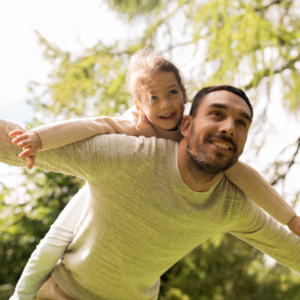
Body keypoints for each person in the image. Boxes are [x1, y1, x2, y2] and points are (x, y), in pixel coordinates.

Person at [7, 49, 300, 300]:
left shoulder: (229, 202)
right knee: (53, 240)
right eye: (216, 114)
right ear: (187, 125)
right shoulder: (126, 150)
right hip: (66, 291)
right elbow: (87, 126)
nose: (228, 127)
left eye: (241, 123)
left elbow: (285, 242)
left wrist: (291, 219)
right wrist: (36, 139)